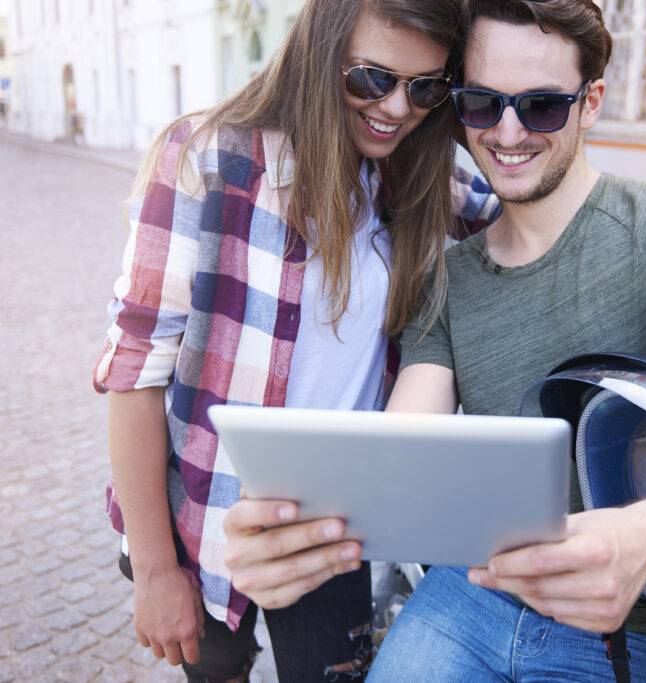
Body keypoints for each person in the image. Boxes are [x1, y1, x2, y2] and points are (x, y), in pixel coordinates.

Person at [222, 1, 646, 680]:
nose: (507, 132)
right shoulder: (447, 279)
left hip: (635, 628)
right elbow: (401, 453)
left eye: (541, 106)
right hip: (470, 593)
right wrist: (289, 535)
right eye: (482, 103)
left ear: (590, 102)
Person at [92, 1, 498, 681]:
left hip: (333, 527)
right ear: (320, 50)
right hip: (203, 518)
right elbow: (136, 371)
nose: (397, 108)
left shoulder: (417, 170)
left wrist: (479, 110)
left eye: (426, 87)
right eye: (373, 79)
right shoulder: (205, 157)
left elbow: (525, 213)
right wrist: (157, 571)